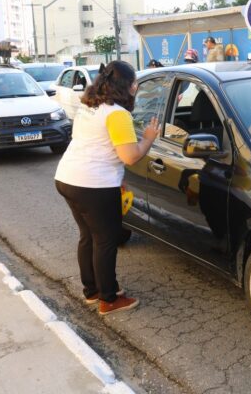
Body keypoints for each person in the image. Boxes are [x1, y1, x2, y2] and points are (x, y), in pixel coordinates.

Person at [54, 61, 160, 316]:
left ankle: (92, 291)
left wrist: (116, 174)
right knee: (105, 241)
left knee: (88, 236)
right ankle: (108, 299)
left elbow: (98, 144)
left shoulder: (91, 105)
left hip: (68, 178)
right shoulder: (117, 114)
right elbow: (130, 156)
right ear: (125, 86)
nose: (136, 86)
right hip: (94, 185)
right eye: (134, 82)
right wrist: (148, 138)